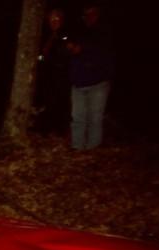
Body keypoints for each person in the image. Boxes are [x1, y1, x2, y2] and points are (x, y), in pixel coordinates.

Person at [67, 3, 114, 150]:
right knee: (78, 118)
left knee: (95, 118)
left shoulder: (105, 33)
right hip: (78, 84)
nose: (89, 17)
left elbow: (104, 54)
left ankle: (93, 147)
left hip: (98, 83)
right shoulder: (78, 31)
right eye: (86, 14)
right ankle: (77, 147)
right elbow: (69, 51)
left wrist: (83, 50)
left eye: (92, 13)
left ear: (98, 14)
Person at [35, 8, 70, 135]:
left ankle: (60, 130)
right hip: (47, 74)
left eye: (57, 18)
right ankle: (45, 130)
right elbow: (41, 55)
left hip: (62, 74)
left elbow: (67, 52)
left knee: (60, 103)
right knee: (46, 102)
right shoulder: (43, 35)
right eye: (51, 19)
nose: (54, 21)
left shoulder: (66, 34)